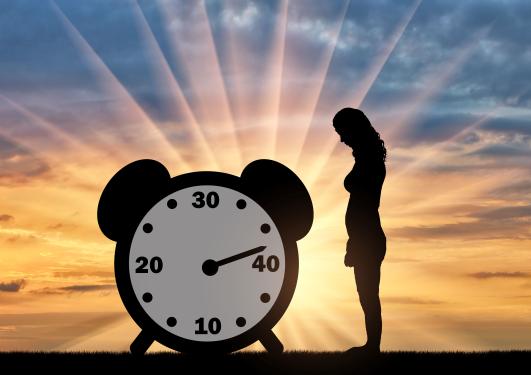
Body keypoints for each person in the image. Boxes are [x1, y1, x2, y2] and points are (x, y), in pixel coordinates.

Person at [333, 107, 387, 355]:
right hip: (363, 237)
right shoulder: (366, 158)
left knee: (368, 294)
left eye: (342, 132)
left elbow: (364, 209)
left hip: (367, 237)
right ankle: (371, 345)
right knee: (366, 294)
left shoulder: (370, 161)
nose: (341, 139)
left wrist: (354, 243)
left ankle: (372, 347)